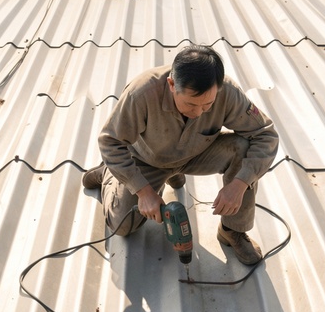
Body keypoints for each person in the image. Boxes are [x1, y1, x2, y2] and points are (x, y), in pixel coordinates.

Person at [82, 45, 279, 265]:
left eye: (208, 105)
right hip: (147, 160)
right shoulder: (141, 93)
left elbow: (266, 136)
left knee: (243, 148)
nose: (198, 113)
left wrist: (240, 184)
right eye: (191, 104)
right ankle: (108, 173)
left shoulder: (227, 92)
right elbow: (110, 141)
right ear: (172, 84)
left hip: (197, 153)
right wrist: (143, 190)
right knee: (122, 226)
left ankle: (232, 230)